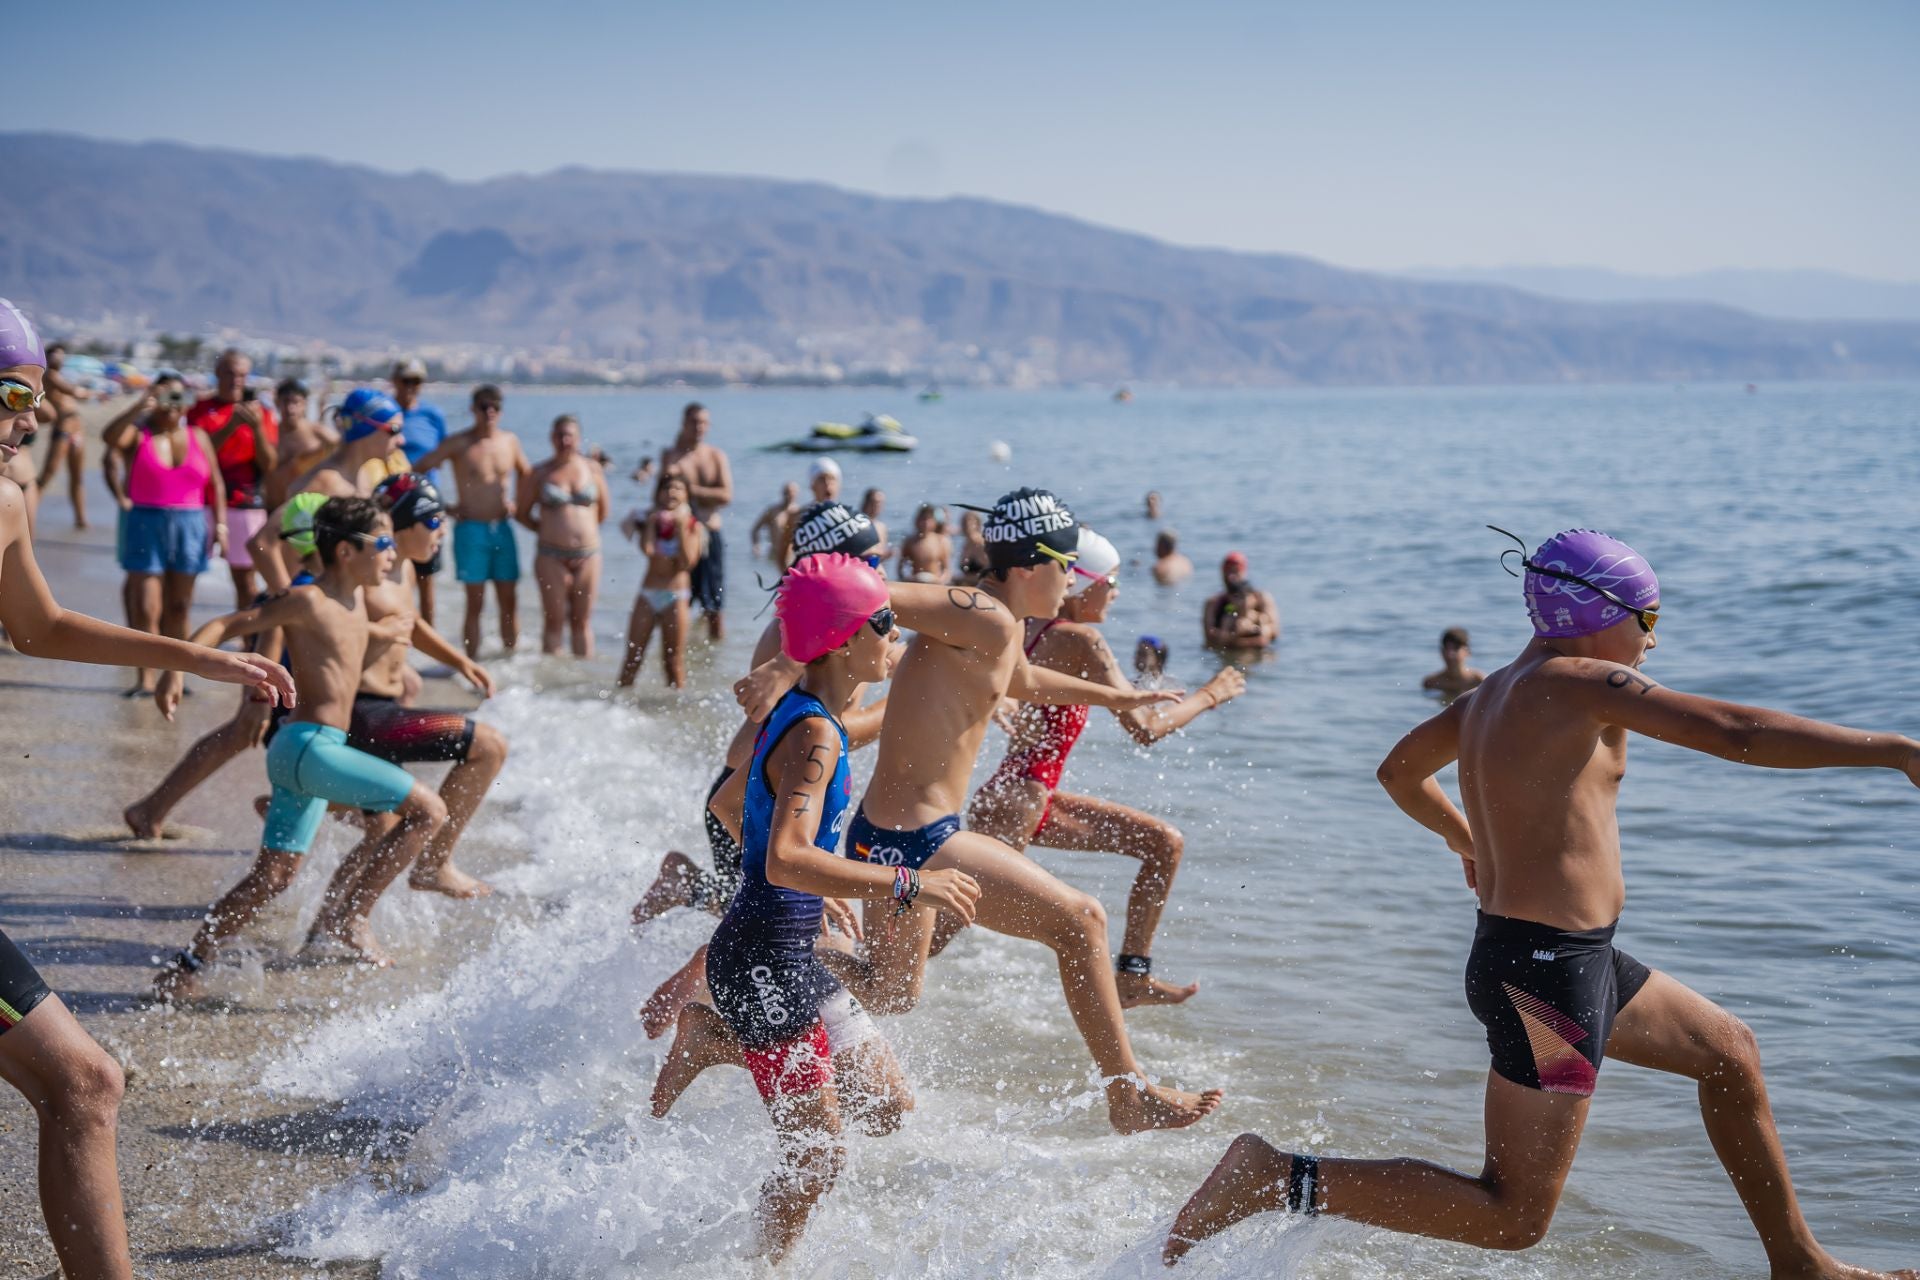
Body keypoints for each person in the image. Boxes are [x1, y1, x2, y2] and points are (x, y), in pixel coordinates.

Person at [1164, 529, 1920, 1278]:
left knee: (1730, 1054)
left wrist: (1470, 843)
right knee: (1513, 1215)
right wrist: (1894, 750)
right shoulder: (1581, 681)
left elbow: (1399, 771)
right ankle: (1276, 1176)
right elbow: (1736, 733)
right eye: (1648, 620)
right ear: (1598, 615)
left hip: (1562, 963)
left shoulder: (1489, 694)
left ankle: (1800, 1264)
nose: (1653, 642)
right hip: (1548, 984)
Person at [735, 487, 1224, 1134]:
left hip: (887, 834)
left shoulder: (996, 625)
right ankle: (1127, 1092)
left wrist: (1116, 699)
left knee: (891, 991)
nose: (1072, 579)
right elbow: (869, 590)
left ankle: (755, 979)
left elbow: (1018, 679)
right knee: (1082, 921)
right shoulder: (980, 613)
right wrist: (789, 660)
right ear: (1029, 566)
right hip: (915, 840)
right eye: (1065, 564)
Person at [0, 299, 292, 1280]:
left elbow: (40, 628)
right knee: (83, 1080)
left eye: (36, 401)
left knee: (85, 1083)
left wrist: (203, 659)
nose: (29, 421)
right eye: (11, 396)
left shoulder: (5, 497)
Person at [648, 554, 966, 1262]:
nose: (898, 637)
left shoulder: (814, 717)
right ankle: (764, 1269)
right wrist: (908, 884)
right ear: (847, 637)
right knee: (818, 1155)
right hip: (762, 961)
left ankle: (712, 1041)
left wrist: (809, 892)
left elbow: (731, 805)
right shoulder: (816, 732)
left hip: (785, 949)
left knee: (886, 1108)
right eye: (886, 623)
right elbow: (784, 853)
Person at [153, 498, 449, 992]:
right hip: (309, 746)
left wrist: (407, 644)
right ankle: (350, 917)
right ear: (345, 552)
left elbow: (350, 647)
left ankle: (186, 967)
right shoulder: (307, 599)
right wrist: (178, 670)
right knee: (429, 811)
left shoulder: (355, 604)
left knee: (272, 880)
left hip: (306, 753)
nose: (393, 555)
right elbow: (231, 624)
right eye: (382, 544)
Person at [630, 501, 895, 1035]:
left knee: (784, 928)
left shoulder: (857, 624)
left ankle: (689, 896)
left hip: (769, 804)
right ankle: (703, 1009)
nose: (883, 569)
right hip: (754, 804)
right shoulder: (796, 638)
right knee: (777, 932)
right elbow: (742, 756)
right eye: (872, 558)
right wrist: (903, 712)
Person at [965, 530, 1246, 1006]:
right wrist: (1210, 694)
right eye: (1110, 582)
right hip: (1019, 805)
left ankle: (1133, 975)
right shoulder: (1081, 641)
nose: (1116, 593)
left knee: (1162, 844)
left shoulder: (1028, 628)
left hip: (1019, 799)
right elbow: (1145, 727)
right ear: (1081, 585)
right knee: (920, 949)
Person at [308, 473, 503, 912]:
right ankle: (434, 864)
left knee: (385, 830)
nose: (443, 530)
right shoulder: (361, 575)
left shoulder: (404, 571)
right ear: (400, 525)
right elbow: (320, 624)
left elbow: (410, 624)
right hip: (361, 713)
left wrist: (459, 661)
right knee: (488, 745)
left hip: (386, 707)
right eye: (433, 520)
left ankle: (332, 925)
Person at [124, 494, 330, 840]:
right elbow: (271, 634)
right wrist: (258, 699)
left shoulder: (307, 583)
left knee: (240, 736)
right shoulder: (302, 589)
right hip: (279, 680)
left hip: (288, 678)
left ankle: (152, 808)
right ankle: (153, 809)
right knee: (247, 732)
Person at [102, 372, 226, 694]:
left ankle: (175, 675)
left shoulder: (198, 436)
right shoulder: (138, 434)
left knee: (180, 606)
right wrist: (141, 404)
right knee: (146, 607)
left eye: (178, 397)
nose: (172, 405)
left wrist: (221, 526)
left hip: (191, 525)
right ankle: (145, 678)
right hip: (146, 523)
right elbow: (109, 438)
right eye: (166, 397)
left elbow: (216, 484)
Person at [413, 385, 530, 658]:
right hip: (471, 530)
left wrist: (520, 505)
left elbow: (528, 475)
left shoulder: (510, 441)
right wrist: (446, 508)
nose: (489, 412)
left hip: (502, 528)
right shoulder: (459, 443)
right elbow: (419, 469)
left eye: (495, 407)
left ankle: (510, 663)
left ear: (501, 411)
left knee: (509, 599)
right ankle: (471, 663)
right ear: (473, 409)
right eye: (483, 407)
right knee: (474, 602)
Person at [187, 348, 279, 607]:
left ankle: (247, 644)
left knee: (246, 584)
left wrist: (256, 428)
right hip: (202, 503)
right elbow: (197, 457)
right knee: (184, 581)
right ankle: (178, 643)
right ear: (217, 373)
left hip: (244, 503)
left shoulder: (262, 414)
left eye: (242, 374)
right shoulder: (200, 410)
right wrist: (231, 426)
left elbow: (269, 464)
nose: (236, 379)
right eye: (229, 372)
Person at [519, 414, 608, 657]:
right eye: (560, 435)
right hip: (551, 555)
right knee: (554, 620)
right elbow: (522, 513)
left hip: (588, 555)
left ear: (578, 439)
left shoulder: (592, 469)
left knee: (582, 621)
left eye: (569, 435)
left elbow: (602, 511)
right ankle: (550, 687)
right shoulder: (539, 473)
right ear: (551, 437)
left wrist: (581, 532)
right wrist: (549, 529)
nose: (564, 440)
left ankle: (580, 686)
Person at [617, 473, 702, 689]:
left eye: (678, 488)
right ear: (658, 493)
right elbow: (648, 551)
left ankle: (675, 712)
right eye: (667, 488)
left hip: (676, 596)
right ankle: (615, 707)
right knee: (632, 658)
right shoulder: (649, 519)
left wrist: (681, 528)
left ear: (686, 495)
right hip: (648, 593)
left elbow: (686, 563)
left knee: (673, 662)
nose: (671, 492)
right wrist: (652, 525)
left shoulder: (693, 525)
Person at [660, 402, 733, 641]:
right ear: (683, 424)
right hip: (681, 534)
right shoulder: (671, 456)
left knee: (715, 603)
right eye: (694, 422)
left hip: (710, 532)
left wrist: (691, 489)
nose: (699, 427)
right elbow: (659, 498)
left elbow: (726, 495)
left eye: (703, 422)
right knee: (678, 598)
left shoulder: (715, 456)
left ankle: (714, 658)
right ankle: (677, 652)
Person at [390, 358, 449, 625]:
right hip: (391, 508)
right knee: (392, 575)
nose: (412, 387)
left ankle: (430, 645)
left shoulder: (433, 415)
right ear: (395, 382)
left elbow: (446, 452)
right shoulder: (387, 413)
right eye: (407, 381)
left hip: (425, 508)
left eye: (417, 381)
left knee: (427, 579)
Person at [32, 342, 92, 529]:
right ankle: (28, 513)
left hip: (77, 430)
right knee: (48, 474)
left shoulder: (60, 376)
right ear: (48, 358)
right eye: (55, 356)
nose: (59, 359)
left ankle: (80, 518)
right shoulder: (49, 376)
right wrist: (90, 392)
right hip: (63, 430)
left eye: (61, 355)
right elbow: (71, 391)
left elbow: (74, 393)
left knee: (77, 476)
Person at [263, 377, 337, 509]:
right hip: (274, 507)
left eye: (296, 402)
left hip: (307, 508)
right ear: (277, 402)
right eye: (285, 402)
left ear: (304, 404)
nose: (290, 408)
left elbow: (344, 449)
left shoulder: (317, 433)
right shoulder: (269, 433)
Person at [1202, 551, 1278, 651]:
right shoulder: (1214, 603)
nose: (1231, 577)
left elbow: (1274, 631)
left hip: (1254, 653)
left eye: (1235, 571)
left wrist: (1254, 630)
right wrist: (1233, 636)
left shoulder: (1261, 598)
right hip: (1229, 651)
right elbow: (1210, 637)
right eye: (1228, 571)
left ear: (1244, 572)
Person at [1422, 626, 1486, 698]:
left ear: (1467, 651)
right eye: (1446, 648)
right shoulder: (1431, 683)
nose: (1450, 654)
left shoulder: (1478, 681)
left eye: (1456, 648)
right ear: (1441, 651)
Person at [896, 503, 950, 583]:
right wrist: (906, 579)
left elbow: (947, 570)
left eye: (929, 519)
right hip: (916, 583)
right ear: (917, 521)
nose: (925, 523)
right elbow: (900, 567)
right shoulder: (910, 541)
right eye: (923, 519)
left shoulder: (941, 541)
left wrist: (940, 581)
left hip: (935, 583)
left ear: (934, 522)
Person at [750, 481, 801, 559]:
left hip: (792, 555)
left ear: (797, 494)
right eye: (786, 492)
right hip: (774, 554)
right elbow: (755, 529)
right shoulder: (773, 511)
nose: (789, 495)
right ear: (782, 493)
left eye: (792, 492)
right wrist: (756, 546)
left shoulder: (799, 512)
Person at [954, 507, 990, 585]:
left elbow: (990, 574)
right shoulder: (965, 544)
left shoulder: (981, 544)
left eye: (969, 521)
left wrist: (963, 579)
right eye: (963, 522)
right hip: (968, 587)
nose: (966, 525)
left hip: (982, 589)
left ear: (977, 524)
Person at [860, 487, 890, 562]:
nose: (877, 506)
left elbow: (880, 557)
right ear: (865, 503)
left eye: (880, 503)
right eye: (874, 502)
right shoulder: (857, 524)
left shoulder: (882, 527)